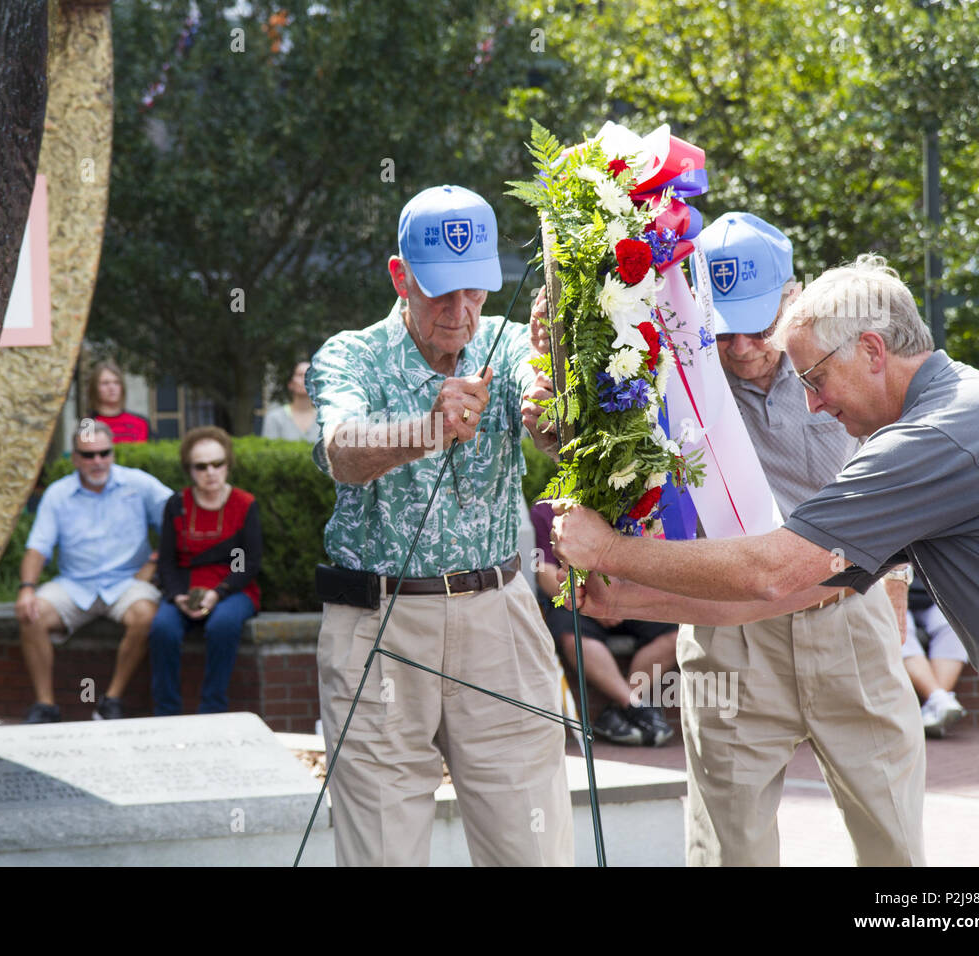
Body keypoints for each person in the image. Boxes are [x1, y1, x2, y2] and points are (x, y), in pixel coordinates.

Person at [545, 254, 979, 861]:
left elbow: (773, 573)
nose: (812, 404)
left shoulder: (931, 437)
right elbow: (805, 583)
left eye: (815, 379)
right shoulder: (951, 408)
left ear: (872, 349)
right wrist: (628, 596)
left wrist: (613, 550)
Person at [307, 184, 574, 867]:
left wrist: (559, 385)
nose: (461, 314)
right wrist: (429, 429)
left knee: (532, 845)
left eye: (476, 293)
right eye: (440, 295)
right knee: (382, 850)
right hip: (378, 620)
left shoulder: (511, 344)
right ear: (400, 276)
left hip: (500, 616)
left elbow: (549, 431)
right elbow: (341, 451)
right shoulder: (351, 355)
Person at [677, 214, 925, 866]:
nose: (738, 348)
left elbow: (899, 474)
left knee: (892, 841)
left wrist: (892, 596)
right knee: (729, 850)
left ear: (794, 293)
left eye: (757, 327)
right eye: (721, 327)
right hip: (730, 632)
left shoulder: (854, 358)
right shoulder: (676, 377)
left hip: (850, 615)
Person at [17, 420, 173, 722]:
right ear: (75, 458)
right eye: (88, 455)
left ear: (113, 453)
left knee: (147, 616)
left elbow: (179, 515)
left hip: (127, 582)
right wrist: (26, 587)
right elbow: (38, 547)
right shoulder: (57, 494)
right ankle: (46, 705)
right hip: (75, 584)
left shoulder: (138, 483)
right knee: (30, 614)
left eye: (104, 453)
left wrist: (155, 560)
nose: (98, 461)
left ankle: (111, 700)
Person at [530, 500, 678, 746]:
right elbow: (543, 573)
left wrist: (620, 601)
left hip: (627, 598)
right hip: (577, 602)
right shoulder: (545, 510)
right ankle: (635, 707)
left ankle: (623, 707)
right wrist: (596, 604)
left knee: (674, 633)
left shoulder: (627, 501)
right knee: (571, 633)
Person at [149, 426, 261, 715]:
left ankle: (212, 709)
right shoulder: (177, 504)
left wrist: (219, 592)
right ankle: (167, 713)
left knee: (222, 625)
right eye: (201, 466)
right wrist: (176, 597)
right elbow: (167, 561)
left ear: (228, 465)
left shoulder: (245, 504)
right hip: (185, 588)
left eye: (217, 464)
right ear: (190, 469)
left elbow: (249, 562)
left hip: (232, 588)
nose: (210, 472)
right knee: (162, 628)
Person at [902, 575, 970, 737]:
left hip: (934, 593)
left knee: (957, 624)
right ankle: (940, 701)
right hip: (891, 591)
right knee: (896, 628)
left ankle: (936, 703)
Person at [87, 360, 152, 443]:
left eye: (116, 383)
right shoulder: (87, 425)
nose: (112, 387)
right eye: (105, 383)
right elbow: (85, 455)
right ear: (95, 388)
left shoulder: (141, 422)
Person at [262, 360, 320, 443]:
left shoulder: (326, 420)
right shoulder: (274, 418)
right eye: (300, 375)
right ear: (290, 383)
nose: (305, 379)